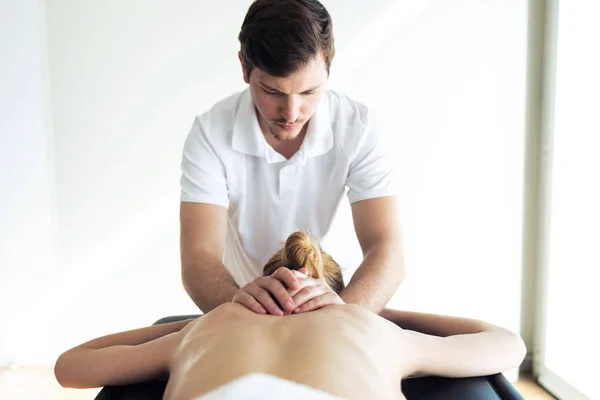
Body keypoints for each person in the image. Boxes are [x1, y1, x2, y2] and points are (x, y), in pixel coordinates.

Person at [55, 232, 526, 400]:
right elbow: (507, 343)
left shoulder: (209, 326)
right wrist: (383, 312)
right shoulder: (370, 327)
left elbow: (71, 364)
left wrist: (207, 315)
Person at [180, 0, 404, 316]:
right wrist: (244, 312)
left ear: (328, 67)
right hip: (245, 309)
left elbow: (386, 248)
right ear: (245, 68)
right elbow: (199, 257)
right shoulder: (211, 133)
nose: (291, 112)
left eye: (309, 92)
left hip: (346, 303)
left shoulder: (358, 128)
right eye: (273, 92)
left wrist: (341, 318)